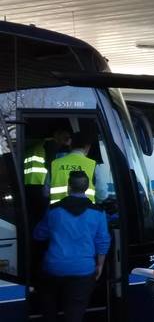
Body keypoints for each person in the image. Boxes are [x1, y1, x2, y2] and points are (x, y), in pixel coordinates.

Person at [34, 170, 110, 322]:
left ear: (69, 187)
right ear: (87, 188)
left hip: (53, 267)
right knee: (74, 313)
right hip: (83, 269)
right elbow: (103, 242)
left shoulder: (53, 210)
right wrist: (100, 265)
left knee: (49, 308)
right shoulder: (98, 213)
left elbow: (38, 235)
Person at [48, 131, 97, 204]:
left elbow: (45, 192)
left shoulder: (54, 163)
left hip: (58, 211)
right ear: (88, 146)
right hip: (87, 211)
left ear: (70, 145)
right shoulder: (93, 164)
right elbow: (102, 192)